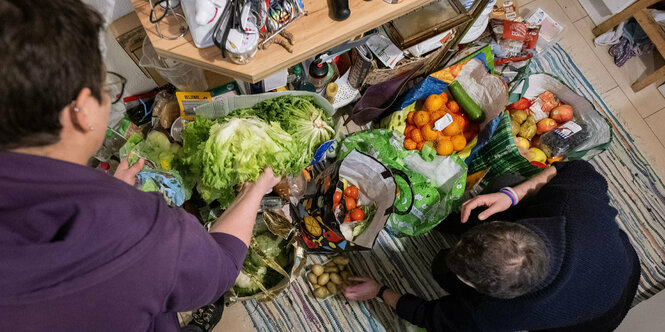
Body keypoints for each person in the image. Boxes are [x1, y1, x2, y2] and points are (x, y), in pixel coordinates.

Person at [0, 1, 281, 331]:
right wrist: (255, 190)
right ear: (82, 111)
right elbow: (222, 267)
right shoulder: (140, 232)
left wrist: (108, 192)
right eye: (106, 85)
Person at [345, 161, 641, 331]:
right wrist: (512, 195)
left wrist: (379, 291)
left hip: (596, 318)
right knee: (507, 180)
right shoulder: (572, 207)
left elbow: (430, 317)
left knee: (440, 266)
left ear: (483, 293)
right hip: (622, 264)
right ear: (513, 228)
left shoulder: (492, 315)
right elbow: (577, 169)